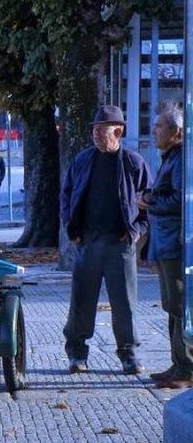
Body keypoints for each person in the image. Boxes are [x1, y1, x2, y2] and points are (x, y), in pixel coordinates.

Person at [60, 105, 151, 374]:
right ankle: (77, 353)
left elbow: (149, 203)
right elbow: (65, 196)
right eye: (94, 130)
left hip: (119, 244)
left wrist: (134, 232)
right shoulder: (82, 160)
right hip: (87, 242)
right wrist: (71, 229)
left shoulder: (134, 164)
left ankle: (128, 353)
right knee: (81, 301)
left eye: (102, 130)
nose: (96, 135)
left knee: (124, 302)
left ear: (118, 132)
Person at [138, 105, 193, 389]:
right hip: (167, 242)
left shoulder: (182, 158)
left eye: (160, 126)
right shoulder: (171, 157)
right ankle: (178, 363)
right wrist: (150, 195)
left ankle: (187, 367)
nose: (154, 130)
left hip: (175, 243)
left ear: (177, 131)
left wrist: (151, 203)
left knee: (180, 304)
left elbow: (181, 200)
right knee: (172, 305)